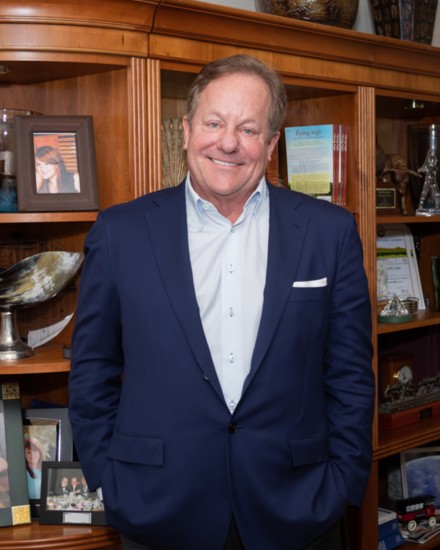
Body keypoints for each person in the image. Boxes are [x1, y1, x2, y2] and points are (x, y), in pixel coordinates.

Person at [68, 54, 375, 549]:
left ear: (271, 144)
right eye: (214, 122)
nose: (228, 142)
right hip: (157, 510)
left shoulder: (329, 232)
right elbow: (92, 371)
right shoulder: (120, 233)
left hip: (298, 510)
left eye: (248, 128)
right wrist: (109, 479)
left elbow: (351, 375)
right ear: (187, 130)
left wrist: (341, 482)